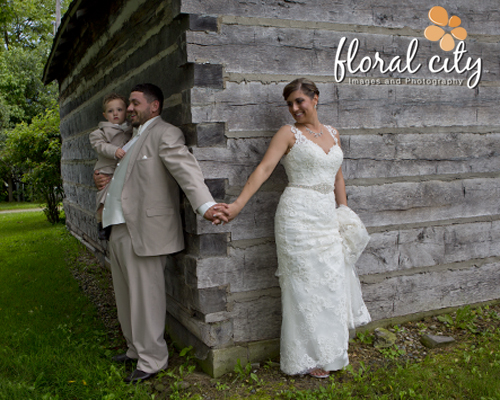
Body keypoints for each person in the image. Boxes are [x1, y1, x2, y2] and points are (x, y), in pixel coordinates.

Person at [226, 78, 371, 378]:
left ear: (315, 99)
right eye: (290, 104)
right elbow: (264, 169)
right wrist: (238, 205)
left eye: (299, 101)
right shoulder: (287, 134)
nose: (294, 108)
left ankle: (331, 352)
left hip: (327, 218)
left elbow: (338, 178)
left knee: (330, 283)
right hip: (297, 217)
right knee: (303, 288)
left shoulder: (333, 133)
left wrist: (343, 212)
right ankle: (306, 358)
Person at [94, 83, 229, 384]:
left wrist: (205, 204)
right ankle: (134, 350)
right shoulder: (130, 138)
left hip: (145, 229)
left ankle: (152, 360)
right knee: (126, 297)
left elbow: (186, 170)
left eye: (134, 103)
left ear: (154, 106)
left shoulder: (165, 133)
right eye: (128, 104)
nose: (129, 109)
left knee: (146, 300)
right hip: (117, 227)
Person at [89, 93, 132, 240]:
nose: (115, 113)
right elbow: (100, 146)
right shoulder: (98, 133)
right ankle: (102, 223)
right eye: (110, 111)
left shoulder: (130, 130)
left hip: (123, 170)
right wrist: (114, 151)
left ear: (126, 111)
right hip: (107, 170)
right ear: (104, 114)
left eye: (119, 110)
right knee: (103, 198)